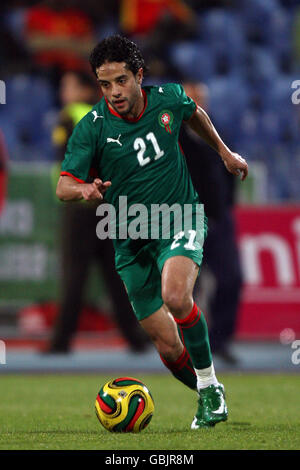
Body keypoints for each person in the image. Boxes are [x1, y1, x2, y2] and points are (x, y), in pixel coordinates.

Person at [56, 35, 248, 429]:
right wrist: (84, 189)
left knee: (176, 297)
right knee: (165, 342)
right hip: (128, 237)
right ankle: (210, 393)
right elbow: (62, 186)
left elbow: (194, 112)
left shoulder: (167, 98)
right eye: (104, 84)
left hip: (179, 216)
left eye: (121, 81)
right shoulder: (91, 127)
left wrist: (225, 153)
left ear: (139, 76)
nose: (113, 92)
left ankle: (210, 389)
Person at [48, 69, 151, 353]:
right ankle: (136, 338)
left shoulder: (71, 115)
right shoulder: (109, 115)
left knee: (74, 276)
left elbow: (66, 161)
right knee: (116, 276)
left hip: (81, 207)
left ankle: (60, 342)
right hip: (111, 206)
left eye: (68, 86)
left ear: (83, 91)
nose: (63, 93)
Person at [180, 82, 243, 365]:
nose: (196, 105)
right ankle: (183, 347)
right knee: (182, 288)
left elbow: (230, 172)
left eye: (200, 98)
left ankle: (220, 340)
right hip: (184, 220)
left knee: (231, 279)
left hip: (218, 217)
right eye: (191, 99)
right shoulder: (170, 137)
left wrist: (226, 206)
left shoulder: (219, 132)